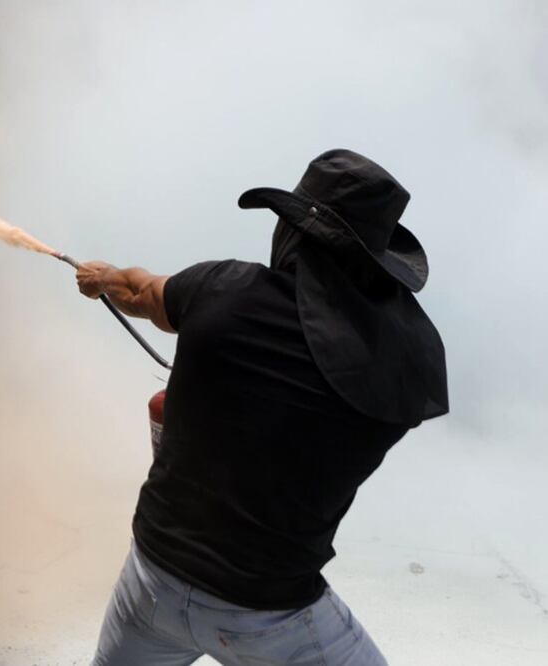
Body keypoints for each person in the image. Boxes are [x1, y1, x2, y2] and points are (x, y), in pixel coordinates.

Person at [75, 149, 448, 665]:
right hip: (268, 617)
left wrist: (105, 280)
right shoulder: (390, 375)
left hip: (152, 583)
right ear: (375, 268)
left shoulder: (222, 290)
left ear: (293, 234)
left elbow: (141, 291)